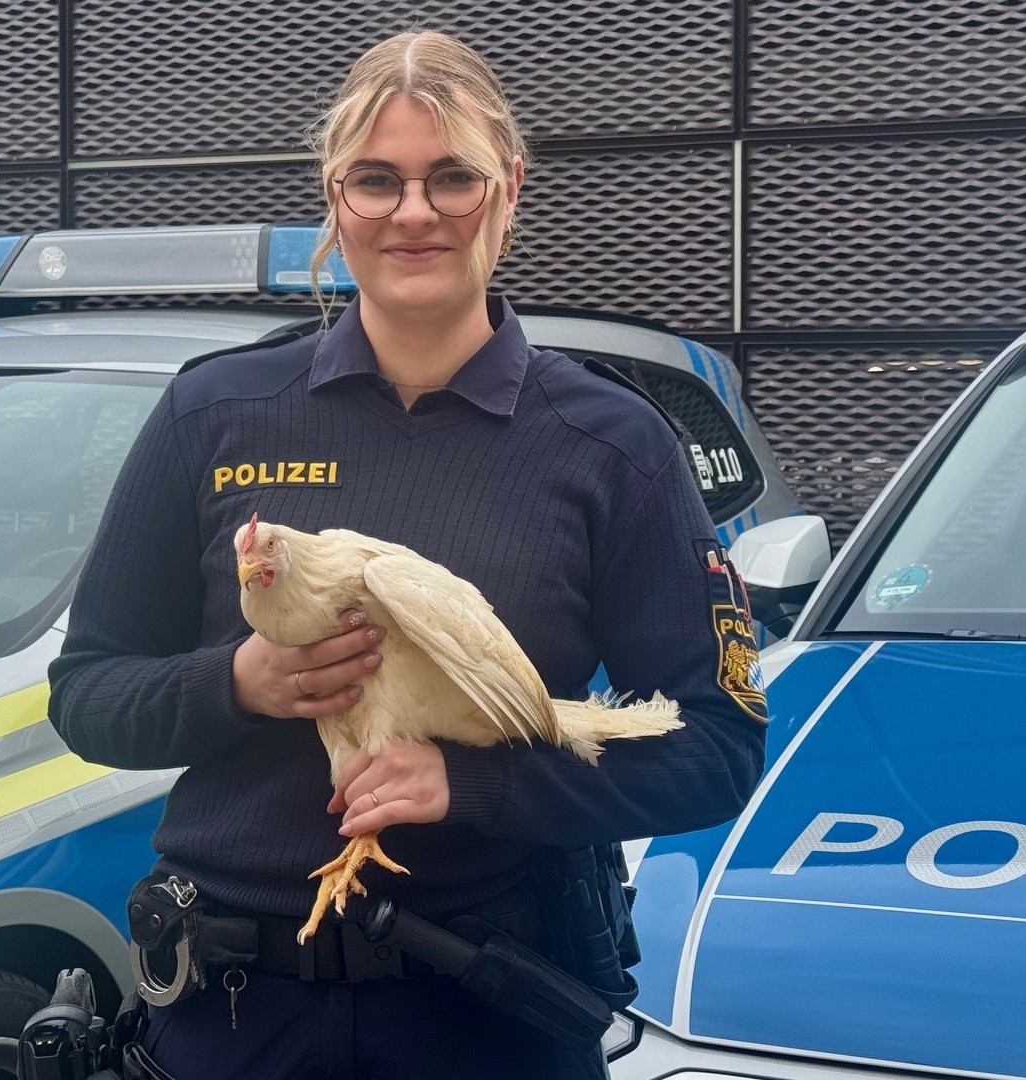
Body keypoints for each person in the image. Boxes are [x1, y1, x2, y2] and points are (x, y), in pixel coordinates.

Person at [48, 29, 768, 1080]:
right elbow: (87, 694)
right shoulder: (217, 414)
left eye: (453, 180)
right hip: (232, 1014)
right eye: (376, 181)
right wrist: (238, 684)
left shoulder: (612, 446)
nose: (414, 212)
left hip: (487, 1011)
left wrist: (471, 786)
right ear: (334, 198)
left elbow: (716, 745)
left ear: (510, 190)